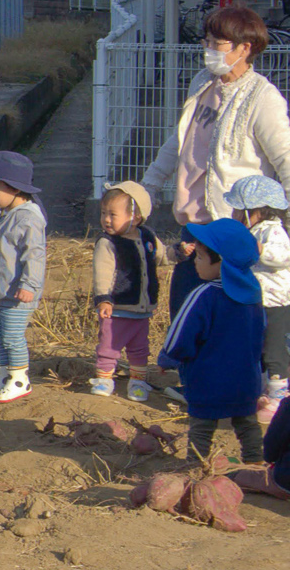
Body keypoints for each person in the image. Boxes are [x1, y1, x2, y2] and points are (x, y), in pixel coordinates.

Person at [139, 5, 285, 361]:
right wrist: (149, 186)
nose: (209, 48)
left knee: (228, 315)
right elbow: (180, 140)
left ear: (244, 48)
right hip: (194, 224)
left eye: (218, 42)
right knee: (187, 307)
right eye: (207, 40)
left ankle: (232, 389)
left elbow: (285, 158)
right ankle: (193, 380)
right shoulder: (202, 83)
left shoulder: (262, 98)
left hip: (232, 228)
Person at [158, 217, 266, 465]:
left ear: (221, 262)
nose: (195, 263)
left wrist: (168, 357)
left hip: (208, 379)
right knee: (247, 425)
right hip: (246, 380)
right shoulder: (254, 295)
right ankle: (256, 464)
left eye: (200, 257)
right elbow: (262, 333)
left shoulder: (204, 294)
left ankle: (194, 468)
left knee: (202, 427)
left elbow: (181, 333)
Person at [0, 151, 46, 405]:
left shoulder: (28, 218)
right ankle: (5, 376)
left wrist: (29, 285)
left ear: (15, 188)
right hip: (2, 292)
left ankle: (19, 380)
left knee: (13, 335)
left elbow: (34, 256)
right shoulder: (5, 213)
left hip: (18, 294)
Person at [89, 181, 164, 402]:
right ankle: (104, 379)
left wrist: (178, 252)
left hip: (141, 310)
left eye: (113, 214)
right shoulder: (108, 242)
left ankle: (138, 382)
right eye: (104, 213)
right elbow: (102, 272)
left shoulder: (148, 237)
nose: (106, 220)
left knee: (140, 349)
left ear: (136, 218)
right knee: (108, 345)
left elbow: (161, 257)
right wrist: (103, 298)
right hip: (117, 308)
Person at [227, 175, 290, 424]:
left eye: (236, 209)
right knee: (258, 347)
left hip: (275, 302)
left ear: (254, 211)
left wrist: (261, 249)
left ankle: (278, 398)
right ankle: (264, 390)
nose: (232, 214)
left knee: (274, 350)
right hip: (255, 301)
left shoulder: (272, 231)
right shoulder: (253, 230)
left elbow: (283, 256)